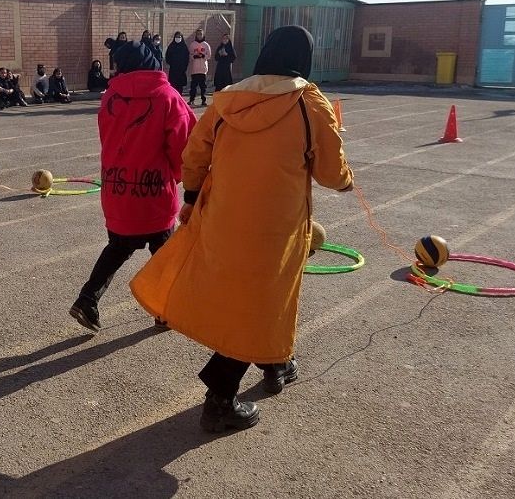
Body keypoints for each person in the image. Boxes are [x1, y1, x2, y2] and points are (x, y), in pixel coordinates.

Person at [129, 26, 354, 433]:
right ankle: (219, 397)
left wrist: (194, 197)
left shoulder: (228, 98)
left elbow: (193, 153)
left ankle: (277, 363)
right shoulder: (308, 101)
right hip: (276, 226)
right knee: (263, 300)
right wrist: (346, 179)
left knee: (249, 296)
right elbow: (330, 173)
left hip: (222, 218)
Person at [70, 40, 196, 332]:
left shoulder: (110, 97)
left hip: (117, 189)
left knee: (117, 247)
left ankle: (88, 298)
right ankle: (162, 310)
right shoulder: (168, 97)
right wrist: (181, 178)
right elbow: (183, 145)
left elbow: (108, 140)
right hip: (153, 193)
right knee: (164, 255)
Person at [188, 28, 212, 106]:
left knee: (203, 86)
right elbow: (190, 55)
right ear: (196, 35)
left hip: (203, 69)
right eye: (198, 34)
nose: (199, 36)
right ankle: (191, 99)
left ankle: (203, 100)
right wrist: (194, 56)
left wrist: (203, 55)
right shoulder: (192, 44)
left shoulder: (206, 45)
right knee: (193, 86)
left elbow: (209, 56)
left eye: (201, 34)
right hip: (195, 69)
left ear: (203, 35)